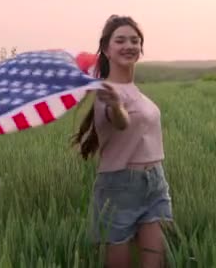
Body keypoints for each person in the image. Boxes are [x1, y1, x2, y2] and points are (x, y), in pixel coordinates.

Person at [72, 15, 173, 267]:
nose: (129, 45)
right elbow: (121, 121)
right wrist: (117, 106)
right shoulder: (106, 92)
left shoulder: (134, 90)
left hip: (155, 183)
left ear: (140, 48)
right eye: (120, 40)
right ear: (106, 49)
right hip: (119, 187)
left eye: (134, 40)